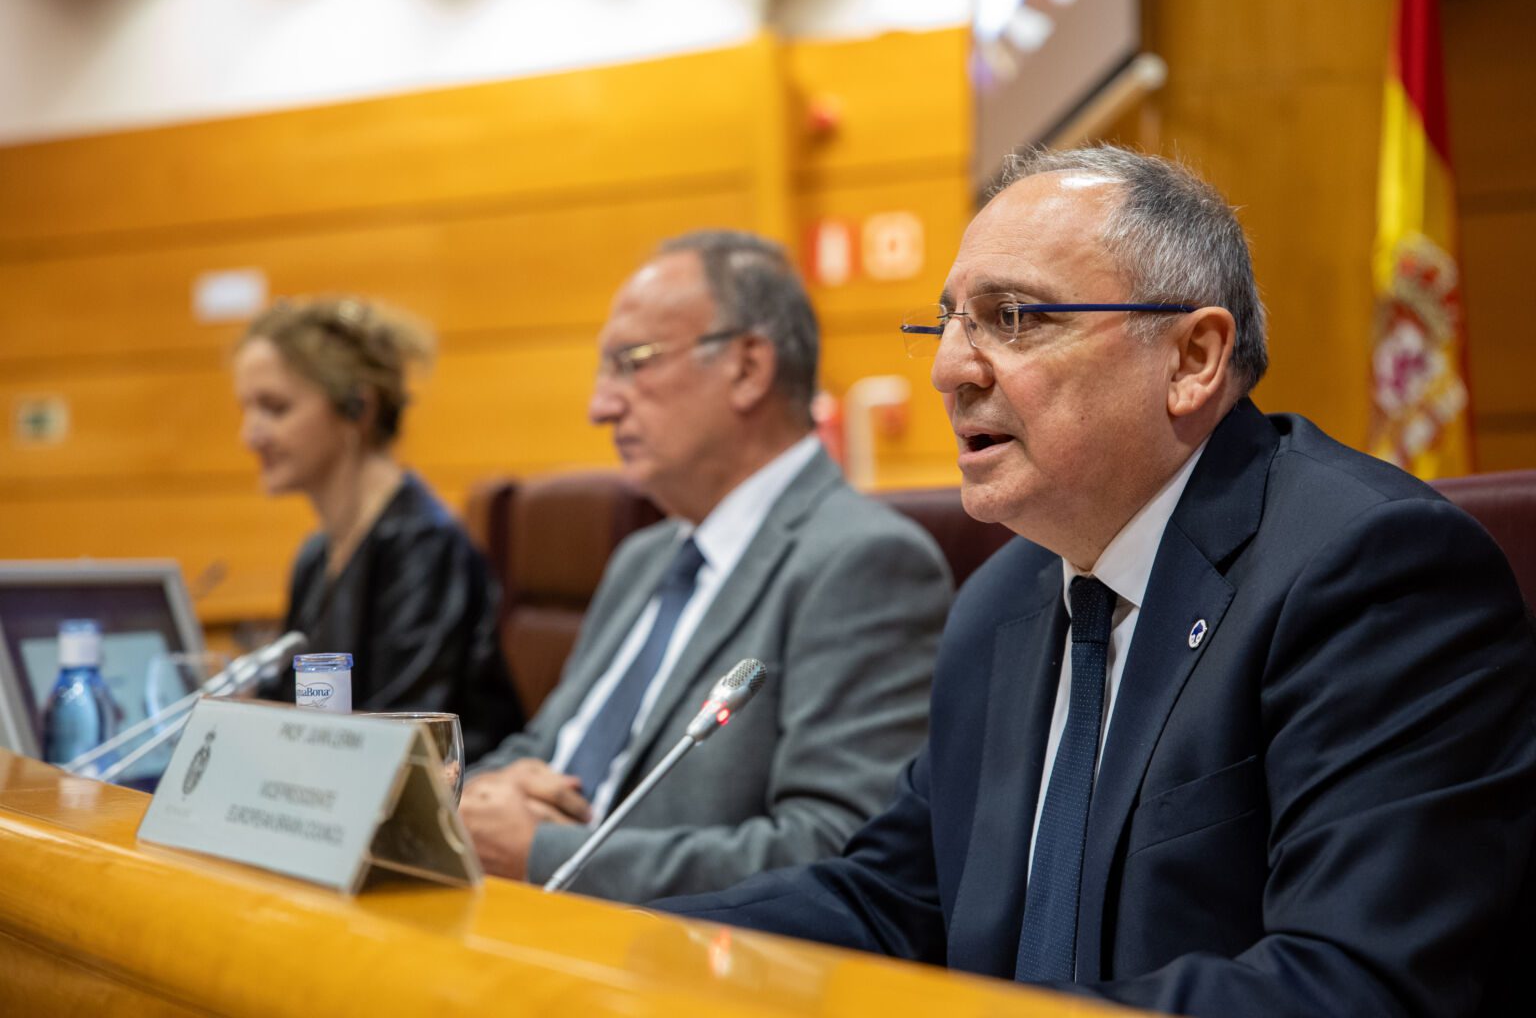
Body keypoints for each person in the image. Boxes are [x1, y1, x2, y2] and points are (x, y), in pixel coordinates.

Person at [655, 148, 1536, 1018]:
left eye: (1011, 318)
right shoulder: (1002, 602)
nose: (949, 370)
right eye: (949, 323)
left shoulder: (1372, 573)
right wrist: (630, 943)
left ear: (1192, 359)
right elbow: (893, 903)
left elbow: (1350, 984)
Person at [459, 230, 952, 903]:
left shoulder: (863, 562)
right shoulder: (643, 557)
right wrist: (477, 797)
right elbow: (545, 747)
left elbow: (835, 852)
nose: (600, 407)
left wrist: (541, 854)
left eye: (632, 363)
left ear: (747, 368)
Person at [232, 296, 523, 763]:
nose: (250, 434)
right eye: (247, 409)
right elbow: (295, 711)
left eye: (275, 408)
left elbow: (402, 737)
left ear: (357, 408)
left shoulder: (424, 545)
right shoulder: (316, 555)